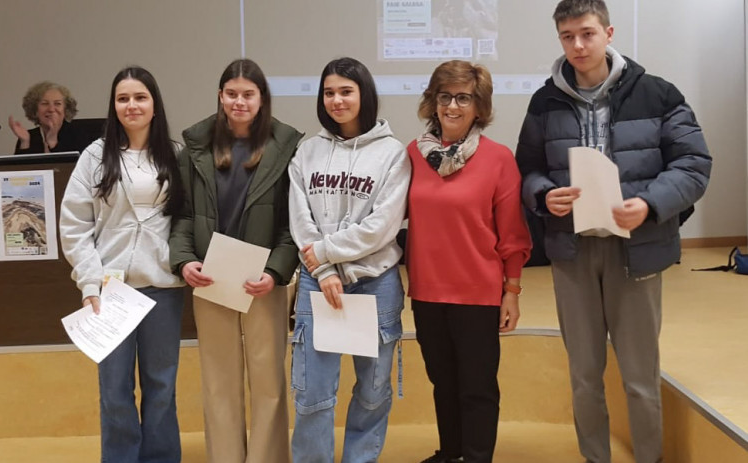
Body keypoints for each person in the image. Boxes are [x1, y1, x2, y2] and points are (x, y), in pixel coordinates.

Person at [515, 1, 712, 462]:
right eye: (567, 37)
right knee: (584, 373)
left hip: (637, 250)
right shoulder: (545, 101)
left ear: (608, 32)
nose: (578, 46)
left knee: (640, 375)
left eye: (587, 34)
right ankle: (594, 457)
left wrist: (649, 203)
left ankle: (649, 457)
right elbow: (527, 169)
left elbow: (694, 164)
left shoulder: (659, 94)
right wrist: (544, 195)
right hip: (572, 251)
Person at [168, 58, 303, 463]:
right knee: (218, 381)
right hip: (211, 279)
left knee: (268, 382)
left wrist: (276, 271)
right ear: (220, 96)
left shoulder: (287, 146)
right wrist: (184, 260)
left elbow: (290, 224)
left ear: (262, 99)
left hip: (263, 280)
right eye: (232, 94)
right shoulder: (195, 147)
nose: (239, 102)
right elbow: (183, 215)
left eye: (248, 94)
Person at [406, 60, 532, 463]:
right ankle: (452, 452)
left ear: (479, 106)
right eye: (445, 97)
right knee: (442, 381)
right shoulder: (412, 154)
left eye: (464, 98)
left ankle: (476, 456)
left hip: (478, 292)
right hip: (427, 291)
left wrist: (511, 291)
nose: (453, 106)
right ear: (433, 102)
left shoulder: (498, 159)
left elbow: (513, 235)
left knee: (476, 386)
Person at [59, 66, 186, 462]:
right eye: (123, 98)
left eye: (140, 97)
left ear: (154, 104)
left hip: (162, 290)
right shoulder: (94, 157)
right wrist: (90, 284)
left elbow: (187, 220)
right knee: (114, 388)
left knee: (161, 385)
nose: (132, 105)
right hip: (110, 292)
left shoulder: (175, 155)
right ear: (113, 106)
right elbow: (75, 225)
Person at [288, 57, 411, 463]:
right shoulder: (307, 151)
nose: (337, 100)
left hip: (375, 282)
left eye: (346, 91)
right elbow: (300, 218)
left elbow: (382, 227)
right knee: (313, 395)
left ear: (364, 94)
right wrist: (322, 268)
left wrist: (325, 251)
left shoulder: (392, 154)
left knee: (373, 394)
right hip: (317, 283)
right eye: (329, 92)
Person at [9, 81, 90, 154]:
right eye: (45, 103)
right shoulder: (28, 136)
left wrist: (53, 142)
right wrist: (25, 142)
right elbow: (20, 169)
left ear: (65, 109)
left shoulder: (78, 134)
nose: (51, 109)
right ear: (35, 110)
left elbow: (75, 168)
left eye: (57, 104)